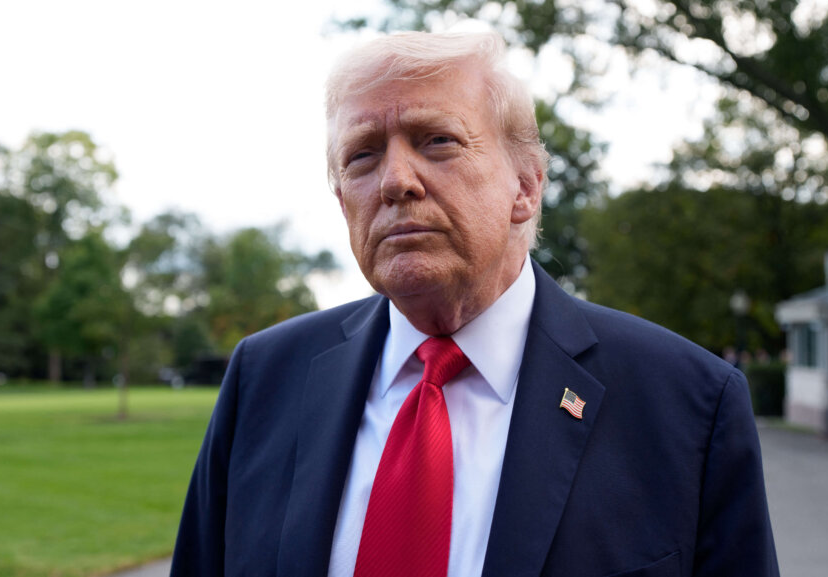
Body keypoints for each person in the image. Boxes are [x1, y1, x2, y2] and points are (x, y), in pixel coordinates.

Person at [169, 31, 779, 577]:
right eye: (363, 154)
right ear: (341, 203)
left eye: (437, 141)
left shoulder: (688, 403)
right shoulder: (262, 378)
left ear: (526, 185)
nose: (395, 180)